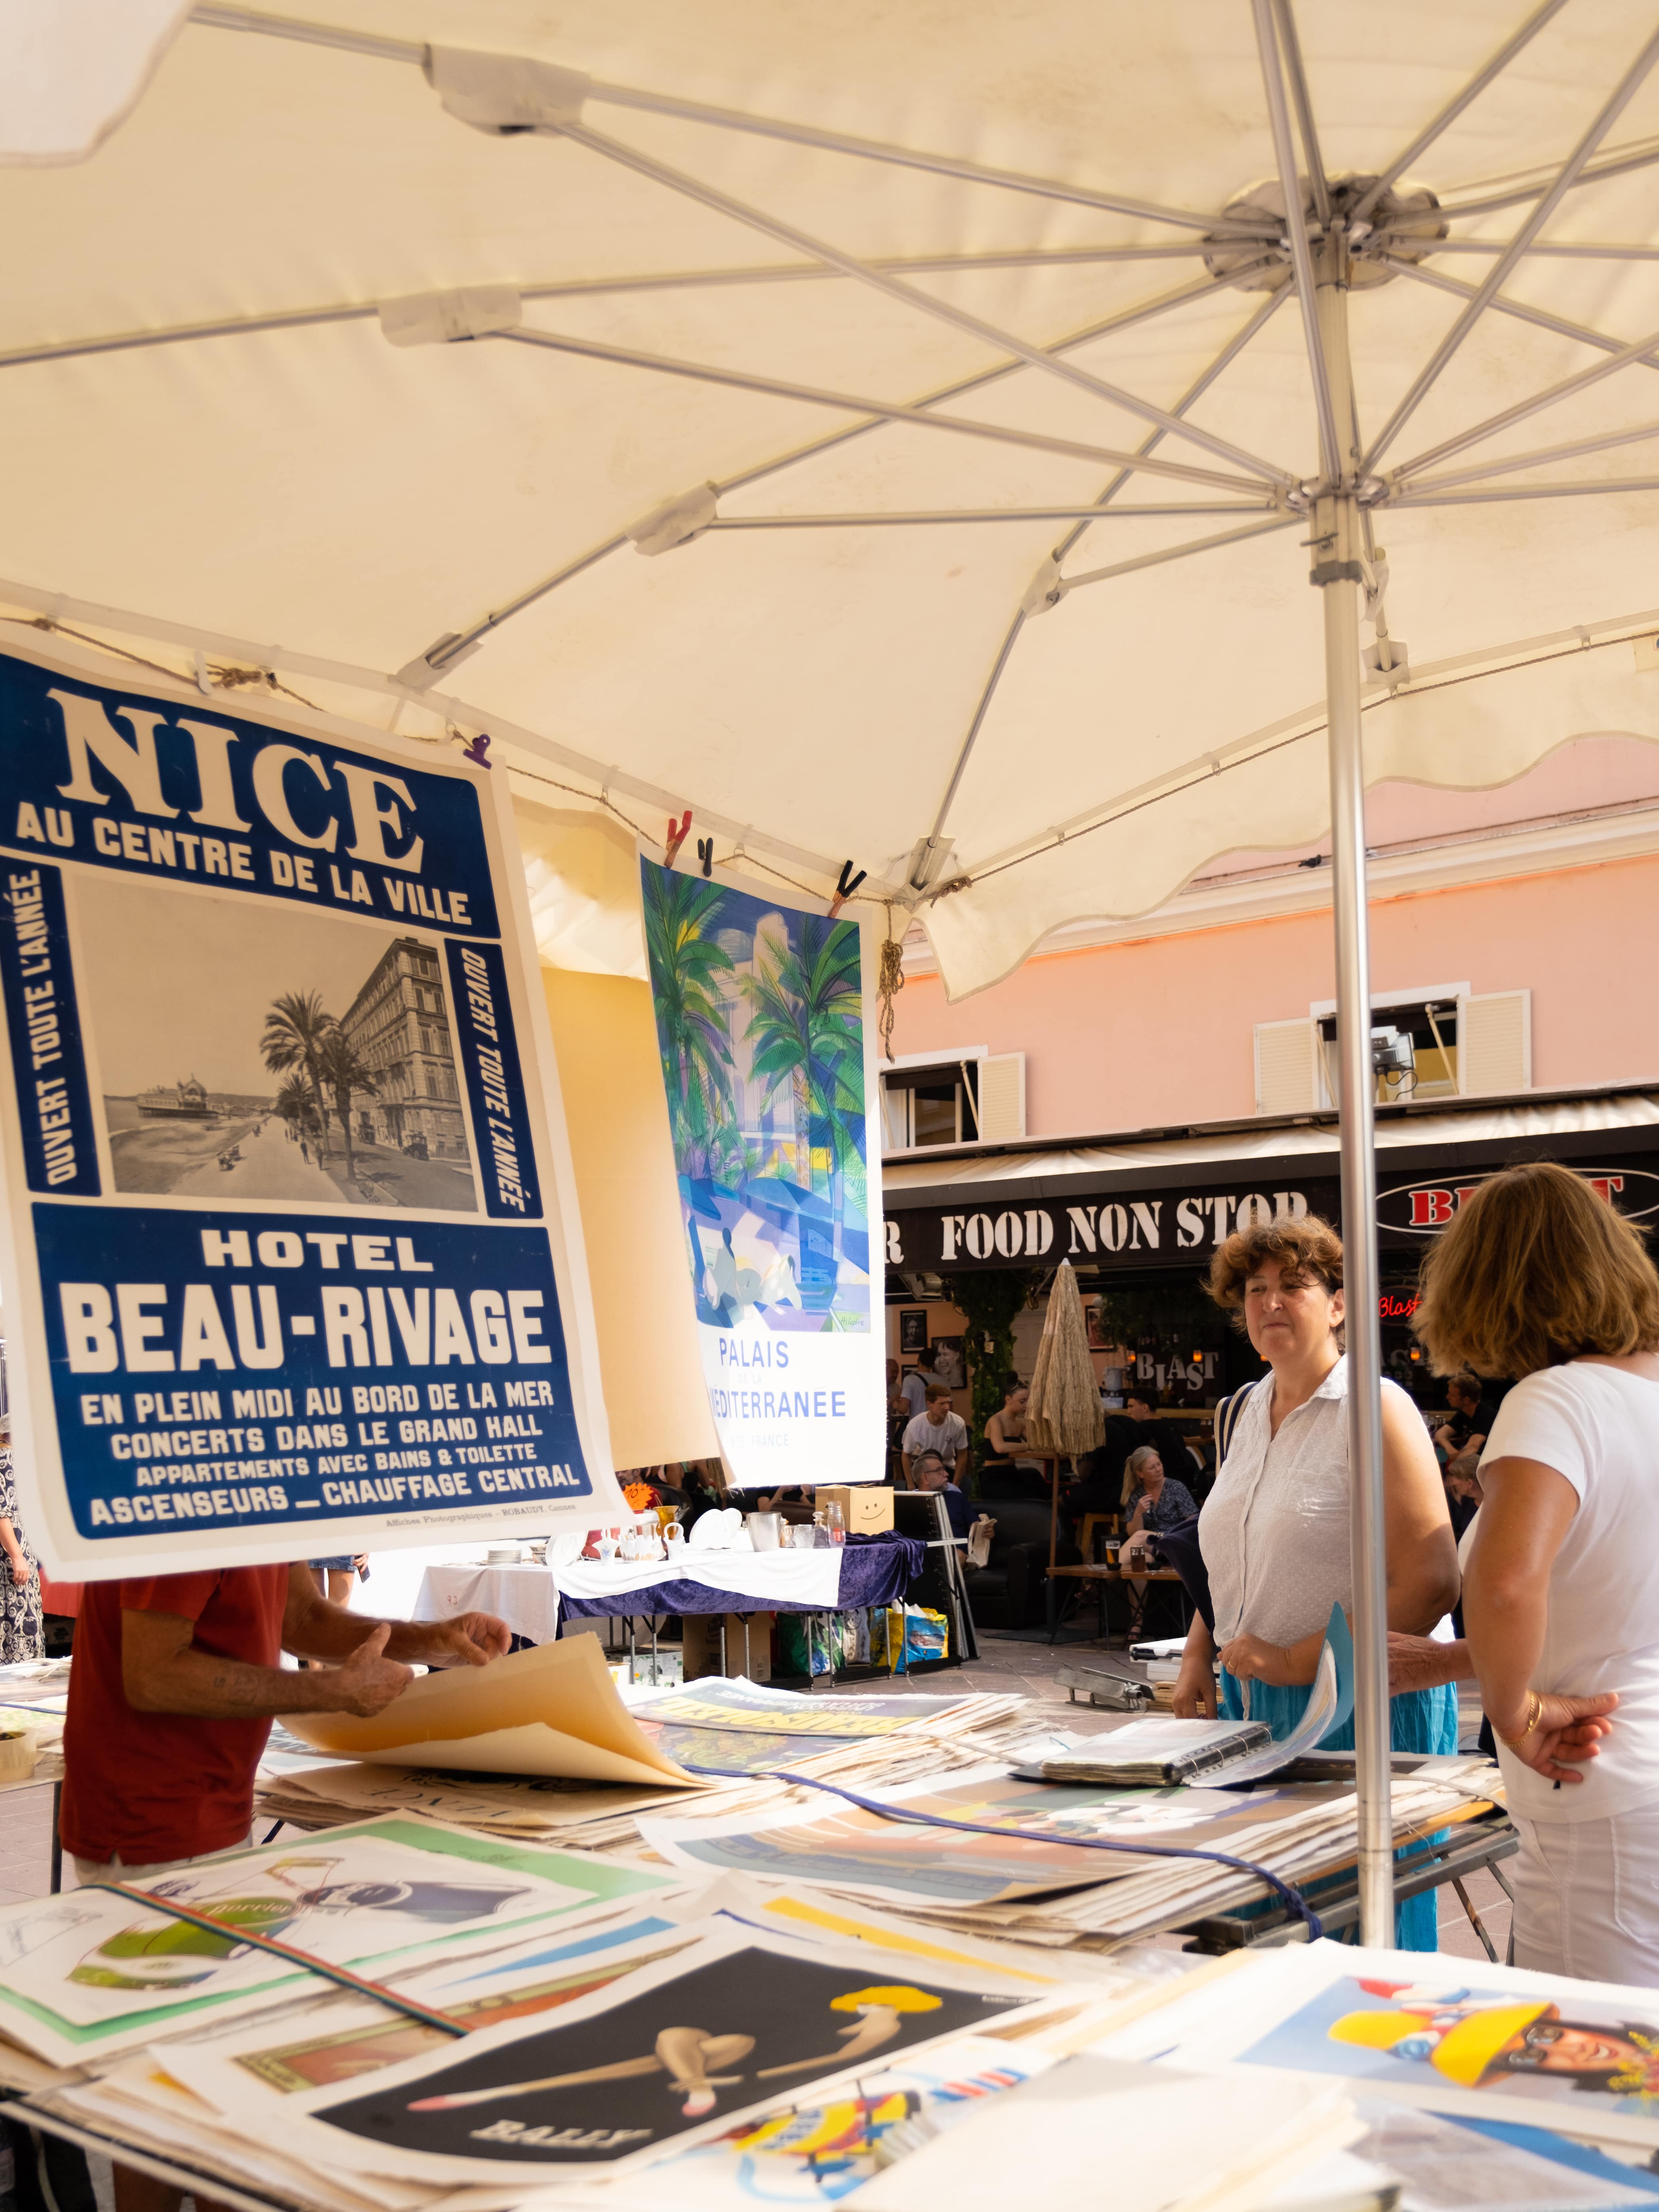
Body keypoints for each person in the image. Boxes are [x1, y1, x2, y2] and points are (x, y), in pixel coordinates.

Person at [1173, 1212, 1460, 1951]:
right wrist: (1199, 1653)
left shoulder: (1376, 1406)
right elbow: (1231, 1549)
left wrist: (1301, 1659)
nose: (1271, 1302)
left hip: (1361, 1699)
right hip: (1256, 1699)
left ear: (1338, 1304)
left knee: (1364, 1934)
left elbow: (1431, 1582)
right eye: (1256, 1288)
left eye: (1294, 1286)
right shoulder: (1241, 1410)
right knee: (1278, 1930)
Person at [1412, 1160, 1659, 1984]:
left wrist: (1515, 1709)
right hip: (1635, 1762)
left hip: (1597, 1784)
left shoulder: (1554, 1401)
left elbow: (1509, 1582)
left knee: (1596, 2074)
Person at [62, 1563, 510, 1883]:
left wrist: (428, 1640)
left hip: (216, 1799)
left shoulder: (267, 1486)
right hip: (151, 1816)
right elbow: (154, 1675)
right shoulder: (185, 1485)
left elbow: (300, 1616)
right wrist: (332, 1691)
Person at [0, 1419, 43, 1664]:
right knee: (18, 1626)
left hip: (18, 1555)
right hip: (11, 1560)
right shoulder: (7, 1458)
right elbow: (2, 1512)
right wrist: (17, 1557)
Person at [902, 1383, 969, 1485]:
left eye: (948, 1403)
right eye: (942, 1404)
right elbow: (906, 1455)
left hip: (947, 1467)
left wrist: (955, 1485)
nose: (947, 1407)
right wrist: (911, 1486)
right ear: (929, 1404)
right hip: (923, 1469)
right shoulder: (915, 1425)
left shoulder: (957, 1423)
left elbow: (963, 1455)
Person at [1432, 1375, 1498, 1468]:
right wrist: (1451, 1451)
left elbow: (1473, 1448)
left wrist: (1453, 1467)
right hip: (1473, 1463)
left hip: (1489, 1466)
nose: (1447, 1397)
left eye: (1452, 1395)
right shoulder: (1463, 1413)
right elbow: (1440, 1435)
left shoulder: (1486, 1415)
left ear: (1466, 1400)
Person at [910, 1449, 972, 1539]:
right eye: (940, 1470)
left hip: (963, 1552)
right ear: (925, 1478)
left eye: (944, 1470)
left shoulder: (957, 1497)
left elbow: (975, 1525)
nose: (947, 1474)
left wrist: (985, 1530)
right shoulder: (910, 1504)